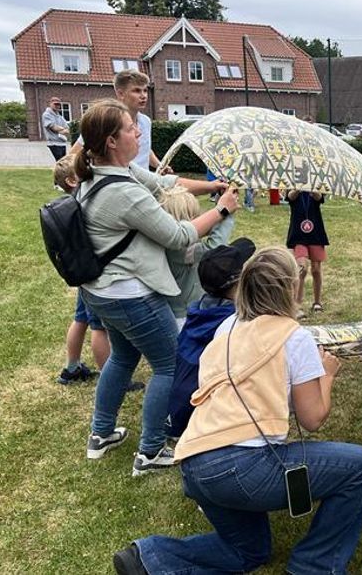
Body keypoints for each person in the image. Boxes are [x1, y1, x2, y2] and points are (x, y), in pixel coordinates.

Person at [114, 248, 362, 575]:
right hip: (242, 467)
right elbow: (312, 419)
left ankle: (150, 557)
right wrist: (327, 375)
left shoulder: (225, 327)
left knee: (249, 551)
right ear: (290, 288)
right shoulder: (294, 337)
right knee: (361, 466)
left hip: (194, 462)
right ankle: (314, 566)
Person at [74, 99, 238, 477]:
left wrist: (213, 185)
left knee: (122, 358)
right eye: (131, 128)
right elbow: (179, 236)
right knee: (169, 364)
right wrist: (223, 210)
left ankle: (100, 434)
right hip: (130, 295)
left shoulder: (105, 173)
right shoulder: (122, 192)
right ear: (113, 141)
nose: (137, 133)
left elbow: (166, 182)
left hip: (102, 292)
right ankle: (149, 451)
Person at [166, 238, 256, 441]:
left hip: (177, 410)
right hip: (197, 419)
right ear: (238, 281)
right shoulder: (232, 324)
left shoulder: (201, 309)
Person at [52, 154, 108, 384]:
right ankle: (112, 377)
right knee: (99, 326)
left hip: (81, 273)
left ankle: (72, 367)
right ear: (73, 181)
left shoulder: (71, 206)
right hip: (92, 273)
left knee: (81, 319)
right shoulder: (83, 204)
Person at [157, 185, 236, 330]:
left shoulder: (163, 237)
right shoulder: (180, 249)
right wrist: (227, 213)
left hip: (173, 309)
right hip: (182, 316)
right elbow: (214, 249)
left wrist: (220, 204)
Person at [285, 189, 329, 315]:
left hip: (315, 233)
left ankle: (317, 302)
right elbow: (290, 197)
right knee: (302, 268)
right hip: (298, 234)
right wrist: (299, 187)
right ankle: (297, 305)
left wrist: (311, 187)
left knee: (316, 269)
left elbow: (318, 197)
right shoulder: (293, 183)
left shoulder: (316, 183)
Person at [42, 97, 69, 161]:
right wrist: (62, 129)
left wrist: (61, 130)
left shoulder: (60, 117)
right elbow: (53, 127)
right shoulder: (46, 115)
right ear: (50, 104)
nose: (57, 106)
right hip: (53, 143)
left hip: (62, 142)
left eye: (58, 104)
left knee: (63, 162)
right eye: (55, 104)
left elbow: (67, 129)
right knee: (60, 162)